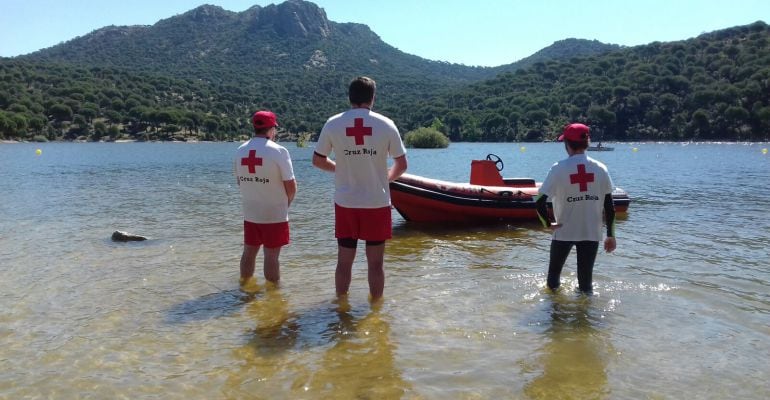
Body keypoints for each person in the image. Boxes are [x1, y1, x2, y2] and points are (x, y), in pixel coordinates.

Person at [312, 76, 408, 301]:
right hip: (376, 203)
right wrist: (386, 179)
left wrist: (341, 169)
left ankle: (340, 308)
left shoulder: (333, 123)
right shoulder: (386, 124)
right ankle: (375, 312)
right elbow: (402, 165)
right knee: (376, 264)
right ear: (373, 98)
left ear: (349, 97)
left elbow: (318, 160)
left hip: (346, 203)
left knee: (344, 262)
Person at [535, 123, 616, 294]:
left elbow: (539, 201)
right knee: (586, 285)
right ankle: (584, 318)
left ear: (567, 145)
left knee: (553, 280)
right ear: (588, 143)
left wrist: (547, 224)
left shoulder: (558, 169)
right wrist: (611, 235)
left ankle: (555, 315)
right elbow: (610, 206)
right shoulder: (601, 169)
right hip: (591, 232)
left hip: (563, 231)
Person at [234, 110, 297, 292]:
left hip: (250, 211)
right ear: (271, 129)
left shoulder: (241, 150)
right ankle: (273, 296)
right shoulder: (279, 151)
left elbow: (240, 181)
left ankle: (244, 290)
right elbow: (291, 186)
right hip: (274, 212)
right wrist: (286, 204)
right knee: (271, 256)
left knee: (249, 252)